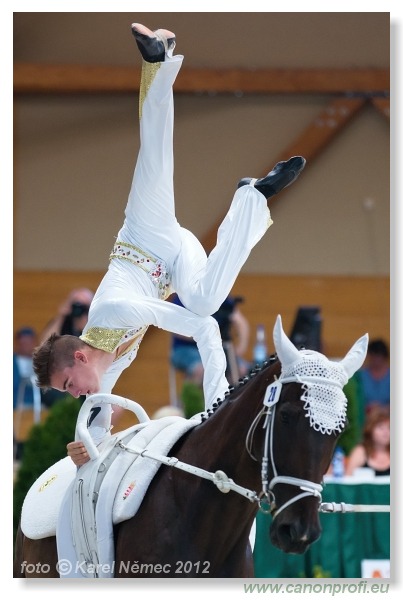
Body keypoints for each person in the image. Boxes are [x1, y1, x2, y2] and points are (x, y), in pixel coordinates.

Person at [32, 23, 306, 467]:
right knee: (205, 299)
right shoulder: (108, 360)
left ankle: (156, 60)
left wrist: (219, 408)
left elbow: (203, 330)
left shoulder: (112, 312)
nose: (76, 393)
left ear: (80, 356)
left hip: (145, 235)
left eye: (69, 384)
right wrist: (87, 448)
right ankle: (251, 197)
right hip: (174, 262)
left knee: (155, 156)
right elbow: (98, 415)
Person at [170, 293, 250, 385]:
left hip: (218, 349)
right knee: (204, 370)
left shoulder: (218, 294)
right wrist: (206, 336)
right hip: (186, 349)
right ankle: (194, 398)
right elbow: (176, 328)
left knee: (242, 370)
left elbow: (240, 322)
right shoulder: (183, 296)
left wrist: (240, 348)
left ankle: (231, 398)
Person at [345, 406, 390, 477]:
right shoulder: (361, 451)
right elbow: (348, 480)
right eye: (380, 427)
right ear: (370, 430)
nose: (386, 432)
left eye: (389, 428)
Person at [355, 338, 390, 413]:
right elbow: (355, 401)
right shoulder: (359, 376)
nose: (375, 359)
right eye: (373, 355)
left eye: (378, 356)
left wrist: (383, 409)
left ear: (384, 357)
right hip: (365, 417)